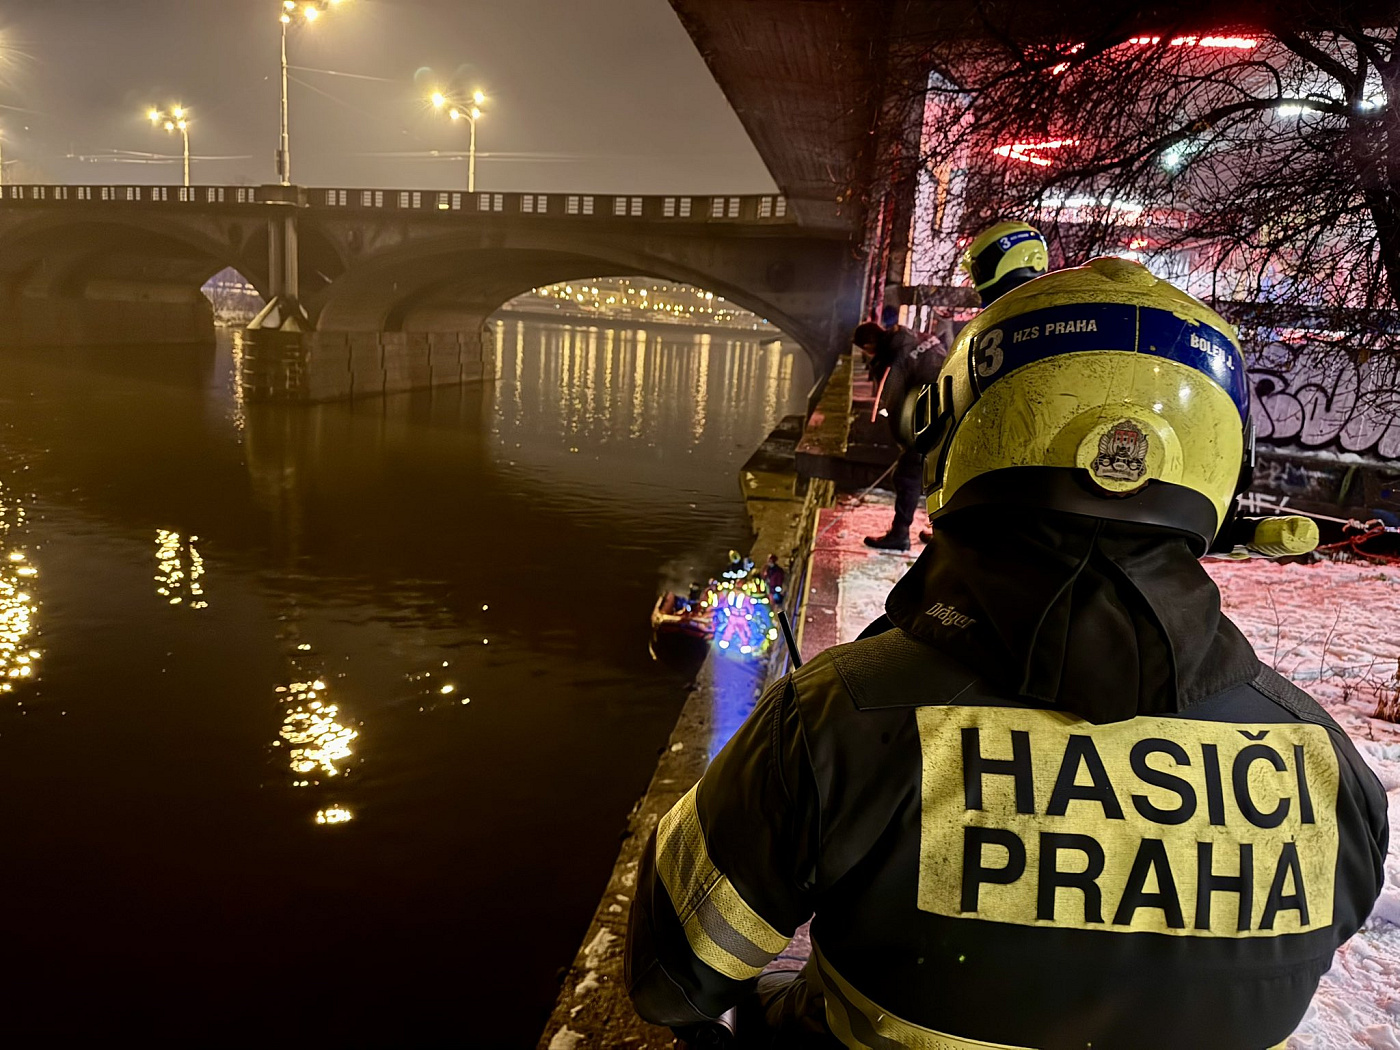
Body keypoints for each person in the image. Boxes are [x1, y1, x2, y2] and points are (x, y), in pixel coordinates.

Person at [626, 258, 1389, 1049]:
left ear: (955, 436)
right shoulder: (1329, 770)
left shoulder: (835, 722)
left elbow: (669, 979)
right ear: (1226, 466)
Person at [854, 320, 945, 551]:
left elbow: (894, 404)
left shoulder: (896, 360)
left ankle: (900, 534)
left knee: (908, 475)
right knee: (942, 475)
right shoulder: (917, 337)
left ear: (868, 345)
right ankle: (944, 532)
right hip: (952, 407)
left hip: (929, 415)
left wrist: (904, 443)